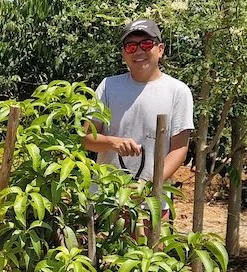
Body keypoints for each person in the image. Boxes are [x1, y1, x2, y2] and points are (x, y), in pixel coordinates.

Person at [82, 18, 194, 192]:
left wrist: (148, 186)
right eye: (131, 46)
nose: (139, 51)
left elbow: (179, 148)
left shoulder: (178, 91)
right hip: (105, 198)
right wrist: (113, 143)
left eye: (147, 44)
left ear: (160, 49)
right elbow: (86, 138)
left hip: (151, 201)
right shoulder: (108, 86)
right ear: (124, 53)